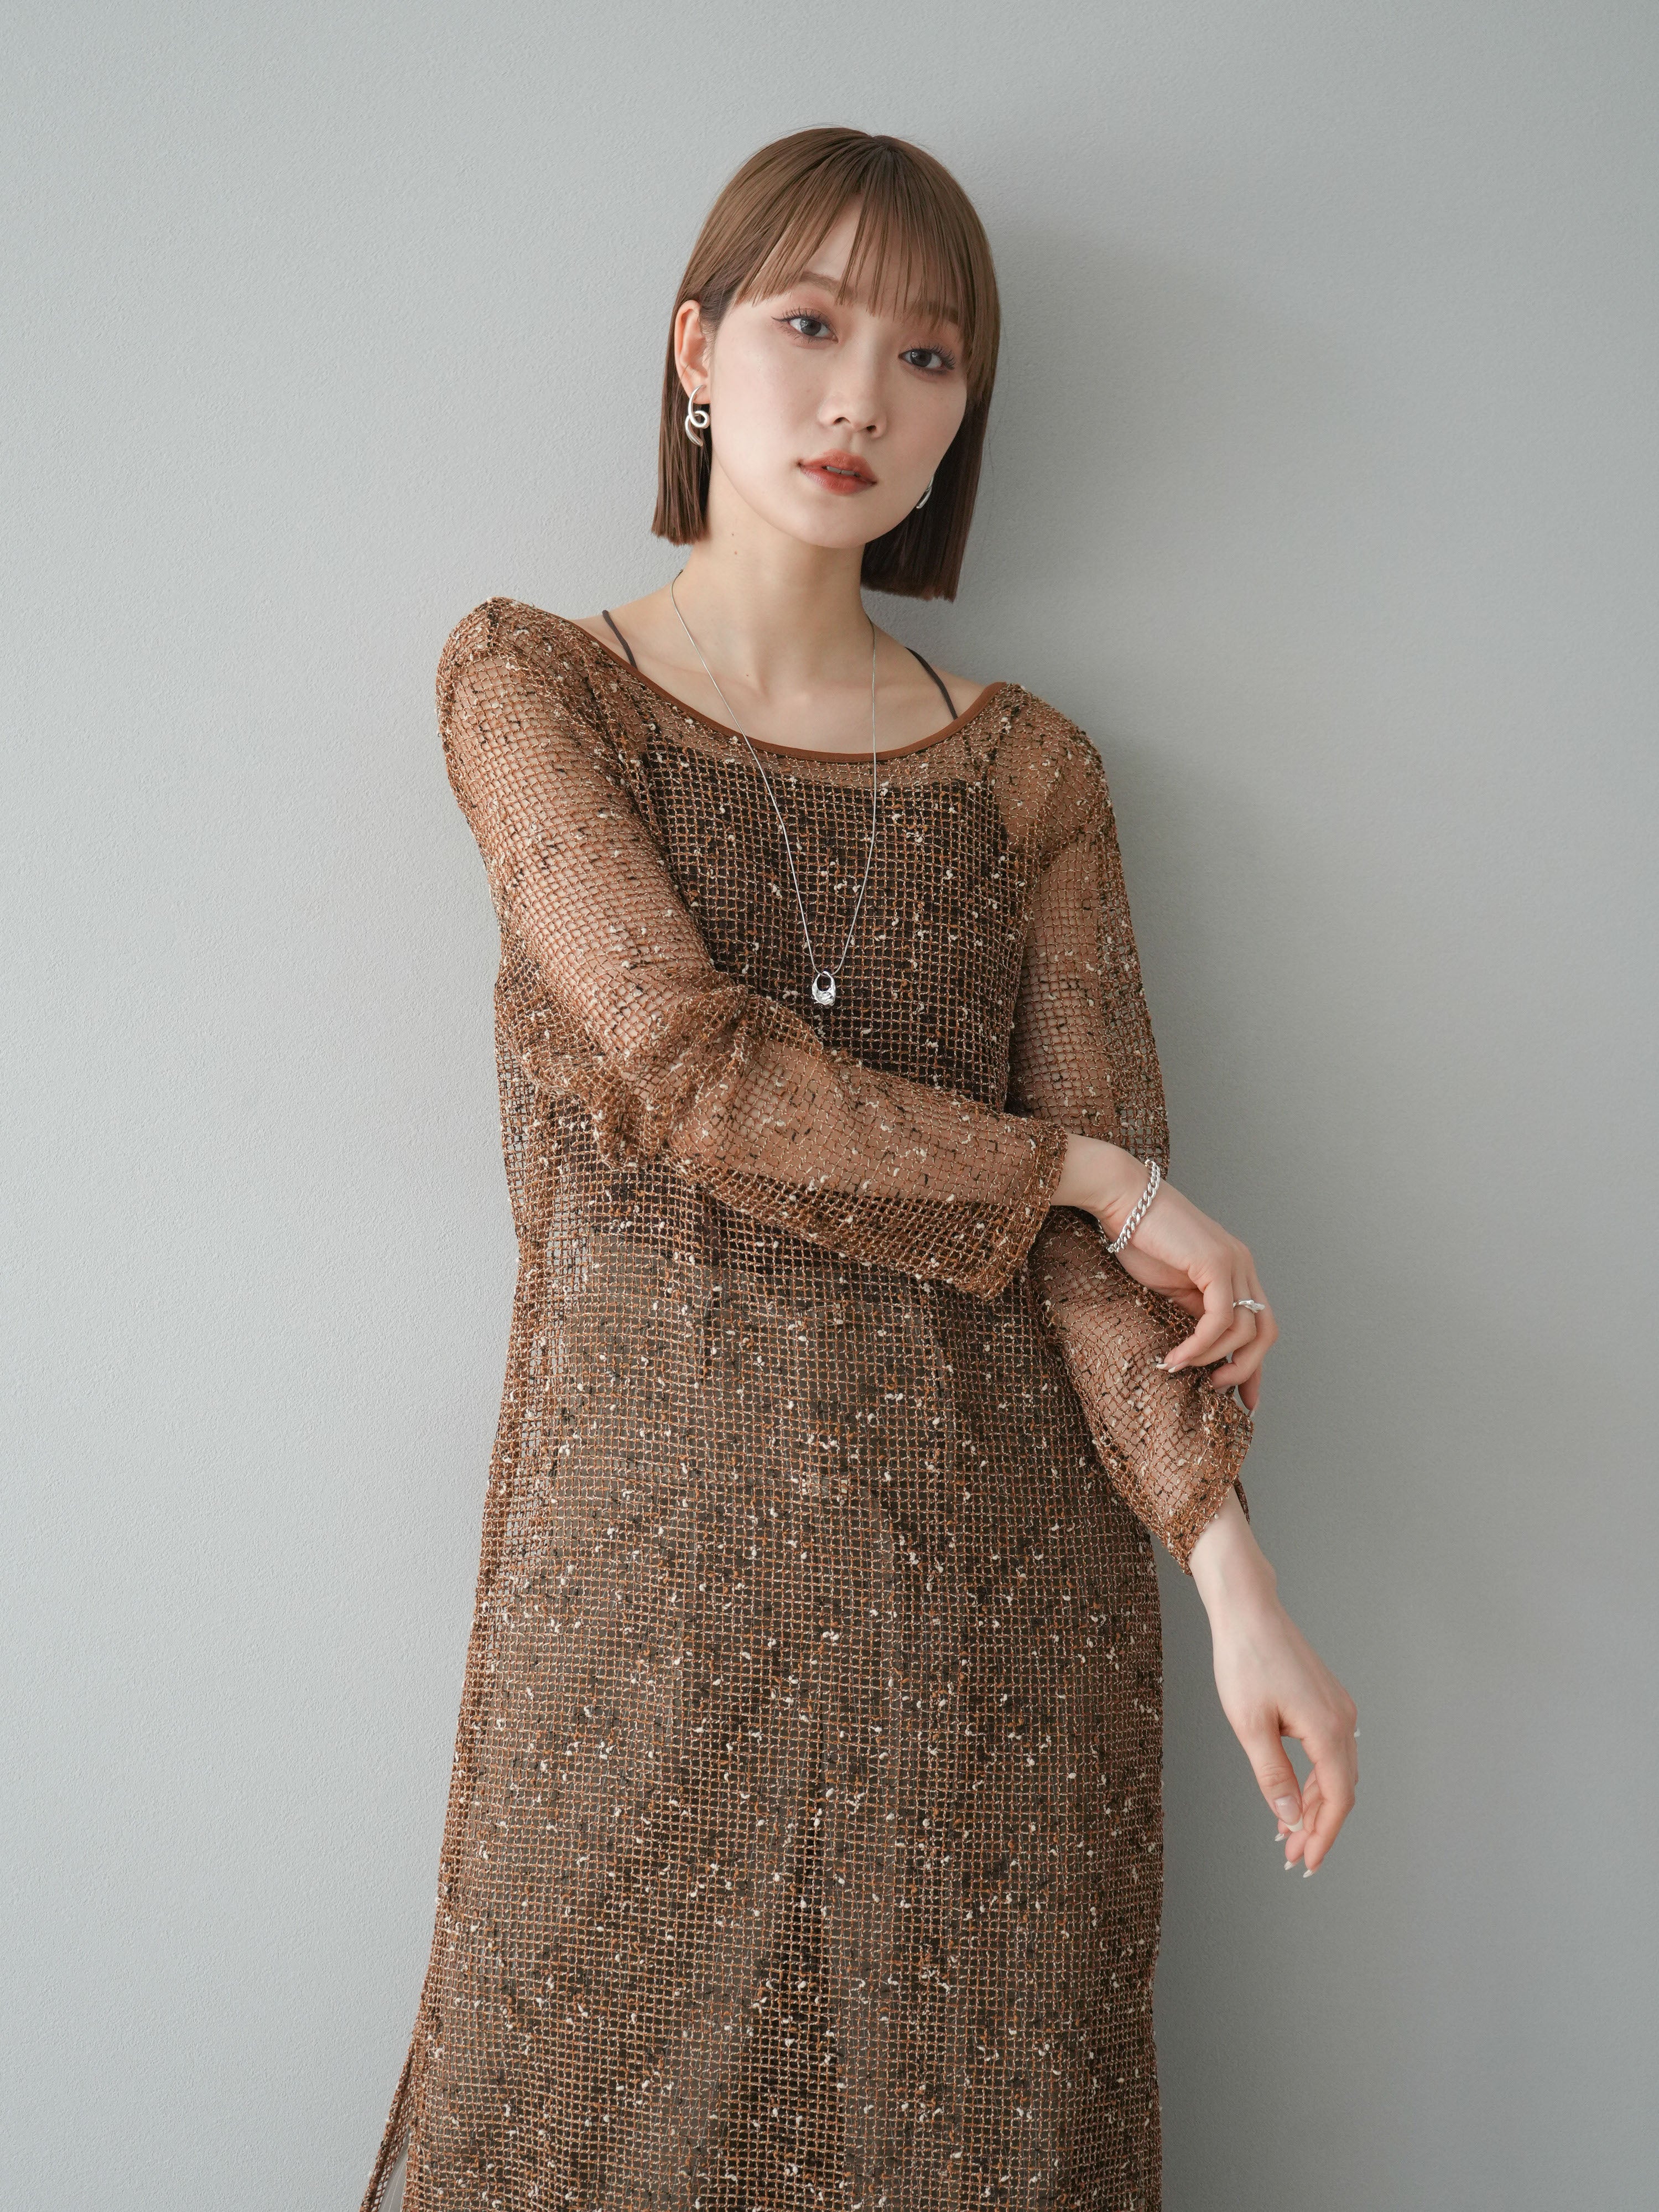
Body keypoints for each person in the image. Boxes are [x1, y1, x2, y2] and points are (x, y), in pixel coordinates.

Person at [361, 126, 1357, 2212]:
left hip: (997, 1632)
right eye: (809, 327)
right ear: (695, 352)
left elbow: (1103, 1273)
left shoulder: (1031, 772)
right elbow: (690, 1070)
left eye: (925, 357)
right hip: (643, 1599)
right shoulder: (532, 687)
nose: (860, 400)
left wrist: (1233, 1582)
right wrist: (1087, 1167)